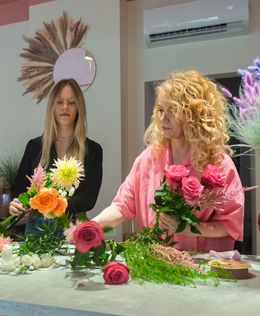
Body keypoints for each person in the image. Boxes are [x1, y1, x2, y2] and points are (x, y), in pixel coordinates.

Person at [93, 70, 243, 252]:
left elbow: (230, 225)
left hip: (202, 264)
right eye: (161, 110)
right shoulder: (149, 159)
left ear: (194, 115)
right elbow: (122, 206)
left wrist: (188, 228)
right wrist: (91, 226)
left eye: (173, 110)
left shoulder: (219, 164)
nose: (163, 118)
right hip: (155, 261)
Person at [10, 78, 103, 234]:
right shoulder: (34, 147)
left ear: (79, 108)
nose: (65, 107)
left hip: (72, 230)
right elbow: (19, 189)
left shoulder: (93, 150)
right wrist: (17, 204)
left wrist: (55, 205)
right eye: (59, 102)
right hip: (37, 233)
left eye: (71, 102)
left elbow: (89, 198)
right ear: (52, 106)